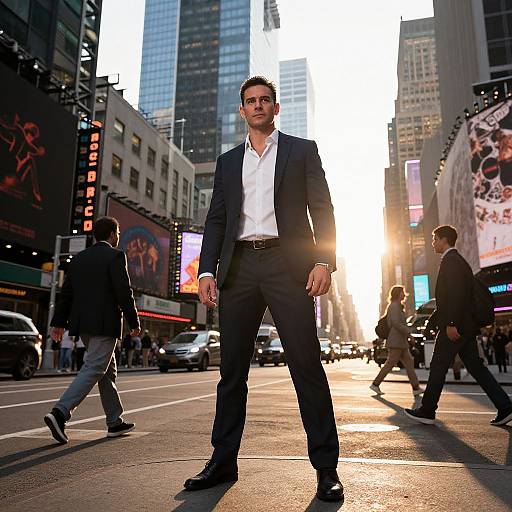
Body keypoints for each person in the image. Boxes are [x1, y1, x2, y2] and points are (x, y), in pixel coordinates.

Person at [183, 76, 343, 502]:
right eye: (250, 101)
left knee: (306, 364)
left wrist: (324, 261)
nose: (257, 106)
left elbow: (322, 208)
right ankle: (222, 460)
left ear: (276, 107)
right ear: (242, 110)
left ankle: (326, 468)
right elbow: (216, 219)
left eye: (264, 100)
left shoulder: (301, 151)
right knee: (230, 371)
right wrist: (205, 272)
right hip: (238, 267)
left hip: (286, 265)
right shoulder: (227, 161)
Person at [44, 216, 140, 443]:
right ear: (111, 234)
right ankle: (60, 413)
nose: (118, 236)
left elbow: (66, 294)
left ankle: (115, 421)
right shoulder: (116, 256)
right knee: (96, 367)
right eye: (117, 232)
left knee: (107, 372)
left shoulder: (79, 259)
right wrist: (134, 322)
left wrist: (58, 322)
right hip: (105, 324)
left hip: (83, 325)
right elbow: (123, 292)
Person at [405, 225, 512, 426]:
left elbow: (455, 297)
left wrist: (451, 323)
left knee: (438, 366)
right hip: (464, 326)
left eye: (434, 238)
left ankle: (428, 410)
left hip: (456, 327)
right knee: (475, 367)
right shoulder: (456, 261)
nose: (432, 242)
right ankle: (505, 406)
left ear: (444, 239)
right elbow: (448, 298)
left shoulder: (452, 261)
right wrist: (434, 320)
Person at [370, 286, 423, 396]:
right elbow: (396, 323)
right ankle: (375, 384)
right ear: (397, 293)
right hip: (395, 340)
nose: (404, 294)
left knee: (409, 363)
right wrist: (409, 334)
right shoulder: (394, 306)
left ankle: (416, 387)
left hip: (400, 341)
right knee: (390, 364)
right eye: (402, 292)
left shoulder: (398, 306)